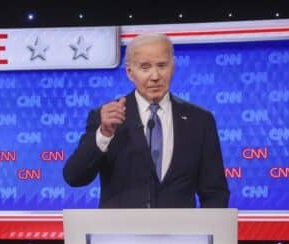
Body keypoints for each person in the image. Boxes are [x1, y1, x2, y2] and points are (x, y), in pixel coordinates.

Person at [62, 33, 229, 209]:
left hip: (180, 234)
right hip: (121, 234)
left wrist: (206, 232)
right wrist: (103, 135)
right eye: (145, 67)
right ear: (130, 72)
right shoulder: (105, 118)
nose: (155, 76)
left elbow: (214, 192)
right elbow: (74, 177)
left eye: (162, 65)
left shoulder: (200, 120)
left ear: (173, 66)